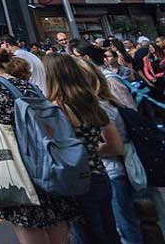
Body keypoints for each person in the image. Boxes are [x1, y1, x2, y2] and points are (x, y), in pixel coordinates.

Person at [0, 45, 78, 244]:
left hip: (14, 162)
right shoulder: (25, 84)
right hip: (43, 157)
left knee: (27, 220)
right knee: (55, 217)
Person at [45, 53, 122, 244]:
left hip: (78, 182)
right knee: (109, 232)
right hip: (100, 174)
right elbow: (111, 141)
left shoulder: (56, 108)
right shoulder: (89, 100)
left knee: (89, 236)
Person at [80, 61, 146, 244]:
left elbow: (115, 146)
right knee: (129, 224)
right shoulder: (106, 102)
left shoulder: (100, 107)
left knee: (126, 228)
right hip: (119, 170)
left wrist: (85, 150)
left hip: (114, 172)